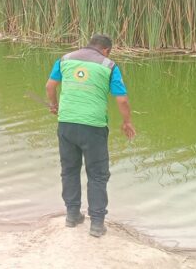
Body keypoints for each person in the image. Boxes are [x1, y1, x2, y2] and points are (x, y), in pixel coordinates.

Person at [45, 34, 136, 238]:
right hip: (93, 127)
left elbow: (50, 86)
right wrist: (127, 122)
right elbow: (121, 100)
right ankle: (96, 224)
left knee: (69, 170)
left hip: (66, 124)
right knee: (97, 174)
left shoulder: (65, 59)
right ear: (106, 50)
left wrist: (54, 105)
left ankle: (72, 215)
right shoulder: (109, 65)